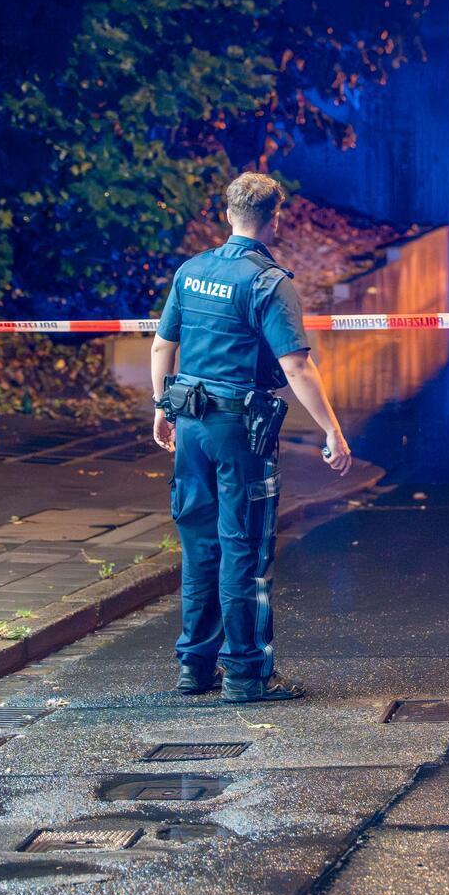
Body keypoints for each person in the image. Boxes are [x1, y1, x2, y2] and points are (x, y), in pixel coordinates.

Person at [150, 172, 353, 703]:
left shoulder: (192, 272)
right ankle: (246, 674)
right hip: (240, 431)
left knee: (199, 547)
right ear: (275, 217)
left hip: (190, 424)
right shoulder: (268, 282)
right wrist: (331, 430)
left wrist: (161, 409)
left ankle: (195, 667)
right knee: (245, 548)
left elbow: (161, 347)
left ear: (227, 213)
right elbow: (296, 367)